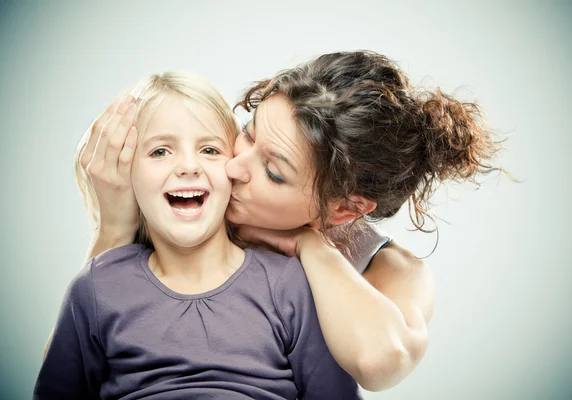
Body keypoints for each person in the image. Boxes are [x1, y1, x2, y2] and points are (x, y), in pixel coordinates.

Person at [63, 50, 502, 391]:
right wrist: (114, 230)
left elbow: (377, 360)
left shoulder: (392, 271)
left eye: (273, 172)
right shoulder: (197, 196)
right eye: (249, 132)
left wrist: (310, 247)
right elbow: (74, 371)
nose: (234, 168)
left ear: (343, 209)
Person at [35, 71, 363, 399]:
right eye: (160, 151)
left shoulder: (290, 286)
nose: (189, 166)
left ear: (233, 167)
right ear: (125, 175)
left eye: (209, 150)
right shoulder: (96, 288)